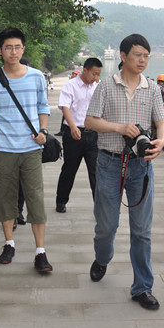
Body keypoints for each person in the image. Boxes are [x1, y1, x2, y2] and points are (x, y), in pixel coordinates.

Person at [85, 34, 164, 311]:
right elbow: (90, 121)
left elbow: (161, 122)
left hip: (141, 166)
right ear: (123, 56)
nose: (143, 60)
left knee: (142, 230)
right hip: (109, 163)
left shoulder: (152, 88)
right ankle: (102, 258)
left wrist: (161, 141)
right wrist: (119, 128)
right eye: (137, 55)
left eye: (146, 56)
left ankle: (142, 287)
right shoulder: (106, 86)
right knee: (106, 226)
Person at [0, 27, 53, 273]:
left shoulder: (36, 77)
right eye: (8, 47)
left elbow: (43, 107)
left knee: (35, 198)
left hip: (31, 148)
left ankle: (40, 252)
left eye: (18, 47)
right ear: (0, 50)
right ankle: (9, 243)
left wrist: (43, 130)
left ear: (23, 49)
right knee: (5, 198)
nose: (13, 52)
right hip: (2, 149)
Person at [55, 57, 103, 213]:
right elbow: (65, 107)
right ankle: (61, 201)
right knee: (69, 169)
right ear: (85, 70)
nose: (96, 77)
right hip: (74, 134)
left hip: (93, 135)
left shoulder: (98, 87)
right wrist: (72, 126)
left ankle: (100, 206)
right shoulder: (71, 85)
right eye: (94, 74)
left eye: (98, 74)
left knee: (96, 171)